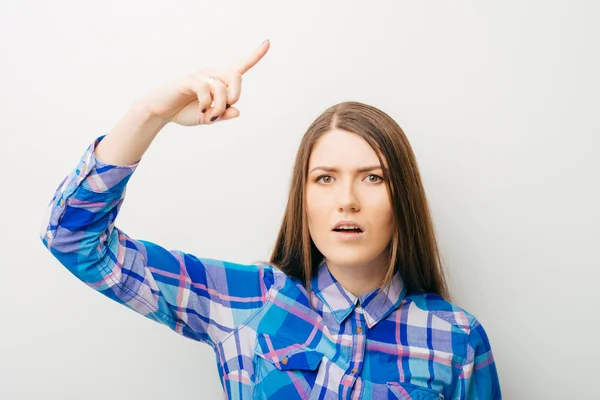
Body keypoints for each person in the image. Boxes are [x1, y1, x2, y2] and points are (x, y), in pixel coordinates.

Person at [39, 40, 501, 399]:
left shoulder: (456, 339)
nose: (347, 200)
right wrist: (149, 114)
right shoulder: (244, 301)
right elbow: (72, 239)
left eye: (373, 178)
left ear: (403, 197)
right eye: (324, 179)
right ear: (302, 200)